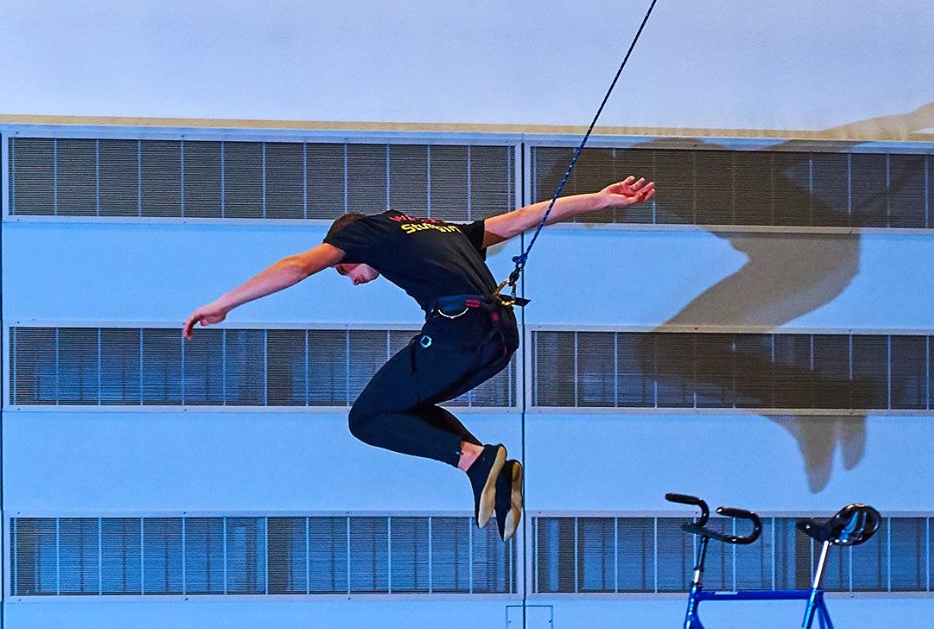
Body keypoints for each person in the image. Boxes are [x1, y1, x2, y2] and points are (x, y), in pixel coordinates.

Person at [184, 176, 658, 539]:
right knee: (408, 409)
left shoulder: (369, 232)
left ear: (347, 246)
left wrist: (224, 303)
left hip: (459, 330)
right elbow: (521, 219)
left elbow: (297, 265)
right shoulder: (438, 229)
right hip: (500, 338)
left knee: (367, 418)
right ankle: (493, 473)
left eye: (344, 268)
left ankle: (475, 459)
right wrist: (601, 199)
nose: (350, 277)